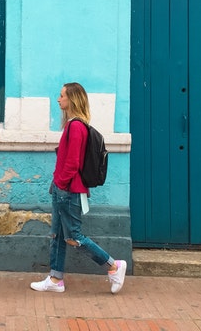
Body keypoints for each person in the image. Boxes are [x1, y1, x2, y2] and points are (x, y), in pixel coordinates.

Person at [30, 82, 127, 294]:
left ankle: (113, 266)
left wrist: (61, 184)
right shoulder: (74, 125)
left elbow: (73, 163)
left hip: (68, 190)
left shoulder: (75, 127)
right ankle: (55, 280)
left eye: (62, 95)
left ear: (72, 99)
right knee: (58, 235)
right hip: (63, 189)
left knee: (74, 237)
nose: (58, 99)